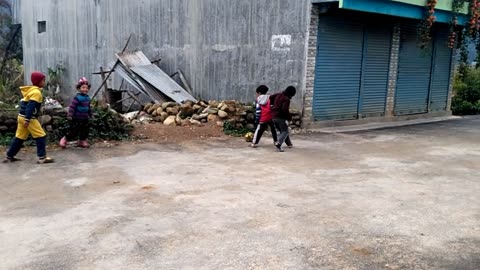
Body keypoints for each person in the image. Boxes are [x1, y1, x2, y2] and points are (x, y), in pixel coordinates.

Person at [3, 71, 54, 164]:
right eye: (43, 80)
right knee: (41, 136)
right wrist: (28, 119)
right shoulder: (36, 93)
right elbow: (30, 107)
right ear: (39, 82)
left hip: (21, 116)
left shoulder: (30, 90)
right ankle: (42, 157)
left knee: (19, 137)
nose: (44, 82)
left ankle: (9, 156)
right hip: (28, 118)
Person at [60, 77, 93, 148]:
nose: (85, 89)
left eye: (86, 88)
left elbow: (88, 107)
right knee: (73, 130)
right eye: (83, 87)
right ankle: (65, 139)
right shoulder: (77, 98)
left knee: (85, 130)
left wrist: (90, 115)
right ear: (79, 88)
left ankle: (82, 140)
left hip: (85, 118)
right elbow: (72, 107)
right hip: (76, 118)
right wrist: (70, 115)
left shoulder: (87, 98)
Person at [271, 86, 296, 152]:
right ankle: (279, 143)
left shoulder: (278, 94)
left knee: (283, 131)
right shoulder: (286, 99)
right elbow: (285, 110)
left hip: (273, 116)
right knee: (285, 131)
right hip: (280, 117)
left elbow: (270, 97)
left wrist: (273, 105)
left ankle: (289, 144)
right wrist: (289, 117)